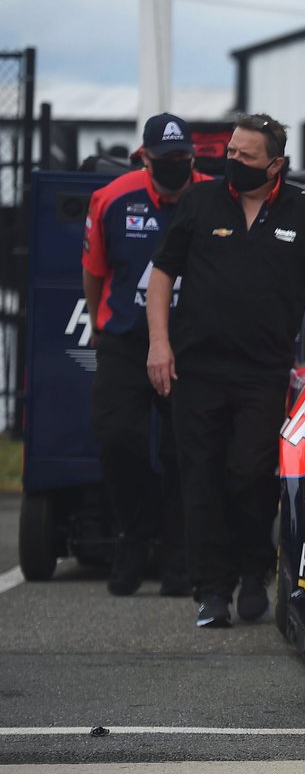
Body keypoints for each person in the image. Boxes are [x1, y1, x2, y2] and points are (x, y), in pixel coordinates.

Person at [145, 113, 305, 628]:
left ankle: (254, 574)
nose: (233, 162)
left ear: (276, 165)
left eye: (245, 156)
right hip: (195, 369)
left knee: (250, 474)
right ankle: (211, 590)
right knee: (200, 477)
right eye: (230, 153)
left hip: (263, 373)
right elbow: (162, 274)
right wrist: (159, 344)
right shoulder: (200, 203)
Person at [82, 113, 209, 597]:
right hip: (126, 341)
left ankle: (177, 553)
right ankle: (135, 534)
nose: (175, 166)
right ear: (145, 157)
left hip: (191, 345)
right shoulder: (112, 198)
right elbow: (93, 270)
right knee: (116, 437)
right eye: (165, 159)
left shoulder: (213, 199)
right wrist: (100, 324)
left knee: (186, 449)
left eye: (183, 158)